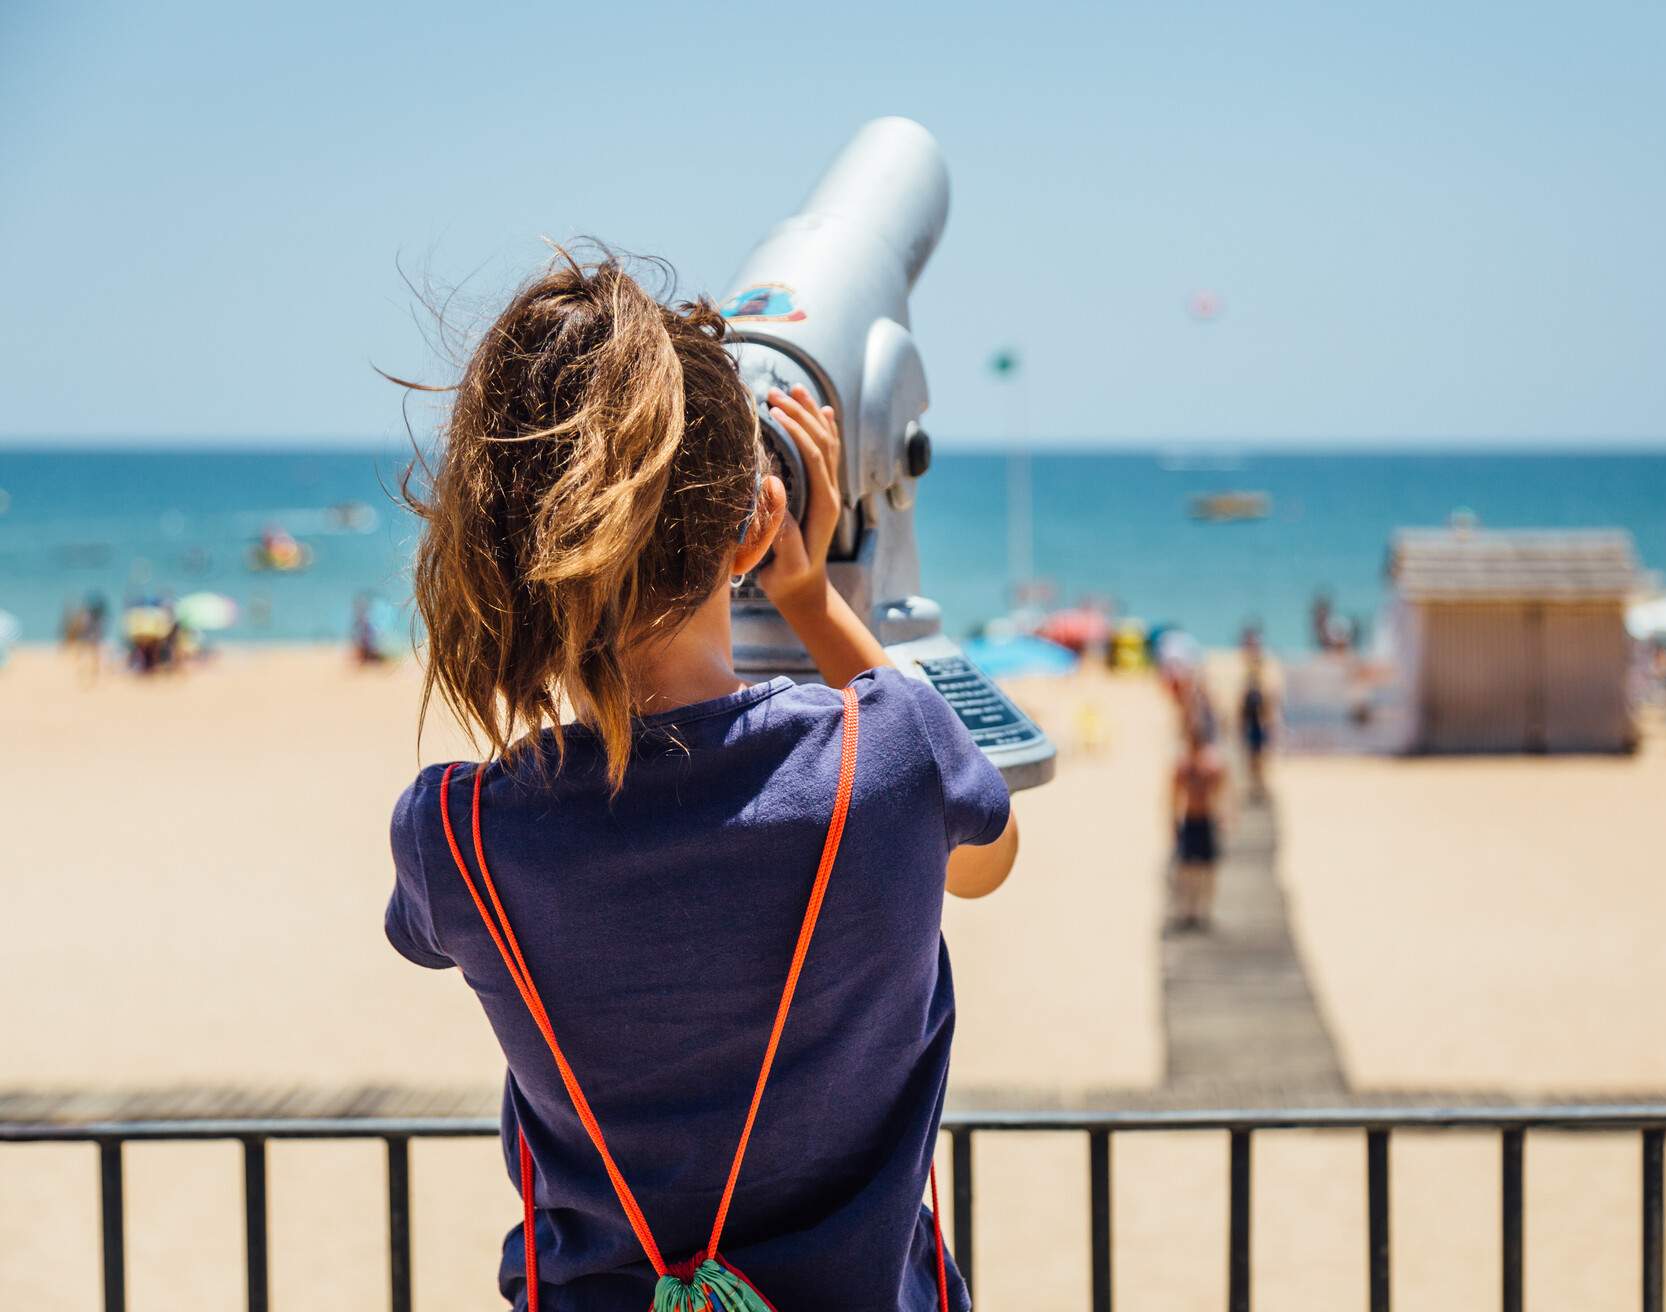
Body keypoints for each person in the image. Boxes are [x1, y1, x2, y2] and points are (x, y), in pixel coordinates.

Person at [382, 248, 1017, 1312]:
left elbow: (425, 929)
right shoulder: (891, 758)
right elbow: (987, 863)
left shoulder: (457, 837)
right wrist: (810, 598)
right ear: (755, 522)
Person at [1169, 717, 1227, 932]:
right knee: (1187, 868)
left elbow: (1221, 790)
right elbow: (1174, 793)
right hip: (1192, 818)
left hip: (1204, 818)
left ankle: (1201, 910)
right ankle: (1188, 910)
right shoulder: (1184, 765)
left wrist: (1223, 815)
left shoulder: (1210, 764)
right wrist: (1173, 819)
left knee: (1204, 868)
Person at [1237, 625, 1276, 799]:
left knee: (1259, 760)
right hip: (1252, 727)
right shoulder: (1248, 687)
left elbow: (1267, 709)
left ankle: (1259, 787)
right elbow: (1242, 711)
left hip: (1258, 727)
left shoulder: (1260, 687)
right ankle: (1254, 787)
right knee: (1251, 760)